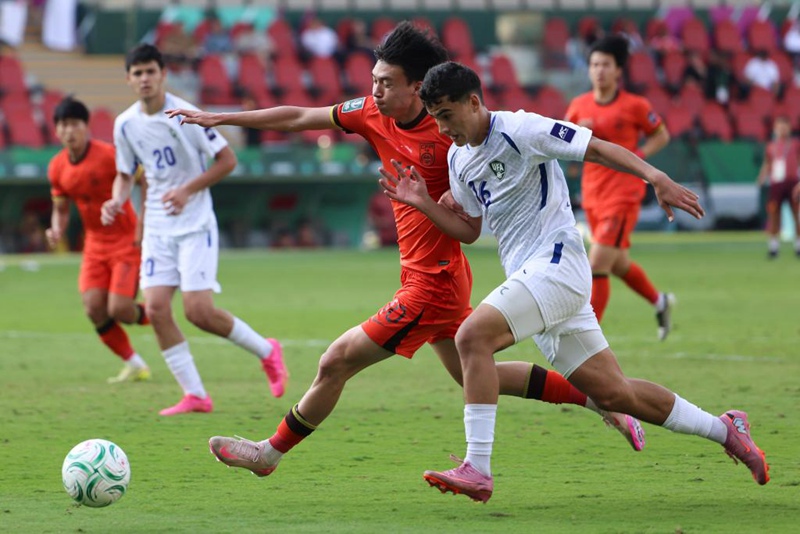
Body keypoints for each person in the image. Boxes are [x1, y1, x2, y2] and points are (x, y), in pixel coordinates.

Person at [165, 22, 645, 476]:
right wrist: (223, 116)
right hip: (431, 275)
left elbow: (493, 174)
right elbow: (300, 115)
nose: (375, 91)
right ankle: (598, 399)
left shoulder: (451, 131)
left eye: (386, 83)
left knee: (336, 360)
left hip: (434, 281)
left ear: (419, 88)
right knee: (476, 375)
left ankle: (268, 452)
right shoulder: (373, 114)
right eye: (373, 80)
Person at [381, 61, 769, 503]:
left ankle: (478, 467)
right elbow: (470, 229)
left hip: (557, 265)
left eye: (447, 114)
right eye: (434, 117)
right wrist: (425, 203)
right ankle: (727, 429)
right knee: (614, 393)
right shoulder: (458, 157)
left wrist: (656, 177)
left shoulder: (522, 129)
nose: (442, 126)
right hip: (533, 277)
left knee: (472, 337)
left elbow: (597, 148)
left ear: (474, 102)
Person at [101, 44, 288, 416]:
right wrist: (116, 199)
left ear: (163, 74)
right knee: (155, 309)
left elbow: (227, 160)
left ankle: (267, 351)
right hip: (157, 227)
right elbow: (125, 173)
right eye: (137, 73)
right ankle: (196, 395)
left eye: (150, 71)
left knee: (198, 311)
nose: (144, 79)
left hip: (195, 223)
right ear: (128, 79)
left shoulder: (184, 115)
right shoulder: (124, 124)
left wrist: (187, 190)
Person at [565, 36, 674, 339]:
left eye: (605, 65)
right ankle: (659, 300)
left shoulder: (635, 105)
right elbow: (560, 141)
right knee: (618, 263)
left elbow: (661, 135)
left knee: (597, 262)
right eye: (594, 64)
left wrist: (638, 157)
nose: (599, 70)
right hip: (593, 194)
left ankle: (587, 336)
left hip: (624, 195)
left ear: (618, 71)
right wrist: (577, 133)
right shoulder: (578, 107)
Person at [46, 97, 152, 383]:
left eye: (74, 124)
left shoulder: (109, 155)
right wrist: (56, 229)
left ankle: (157, 313)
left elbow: (144, 179)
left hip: (125, 239)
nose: (69, 131)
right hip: (94, 244)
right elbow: (61, 210)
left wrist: (143, 219)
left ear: (86, 126)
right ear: (56, 130)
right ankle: (135, 364)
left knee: (119, 309)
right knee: (94, 308)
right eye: (63, 125)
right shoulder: (57, 167)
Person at [756, 115, 800, 258]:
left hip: (793, 183)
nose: (782, 129)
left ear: (789, 128)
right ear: (775, 128)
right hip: (776, 184)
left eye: (784, 126)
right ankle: (773, 247)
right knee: (774, 215)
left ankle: (798, 245)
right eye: (779, 126)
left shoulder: (795, 144)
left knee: (797, 215)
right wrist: (762, 177)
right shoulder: (771, 146)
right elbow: (768, 163)